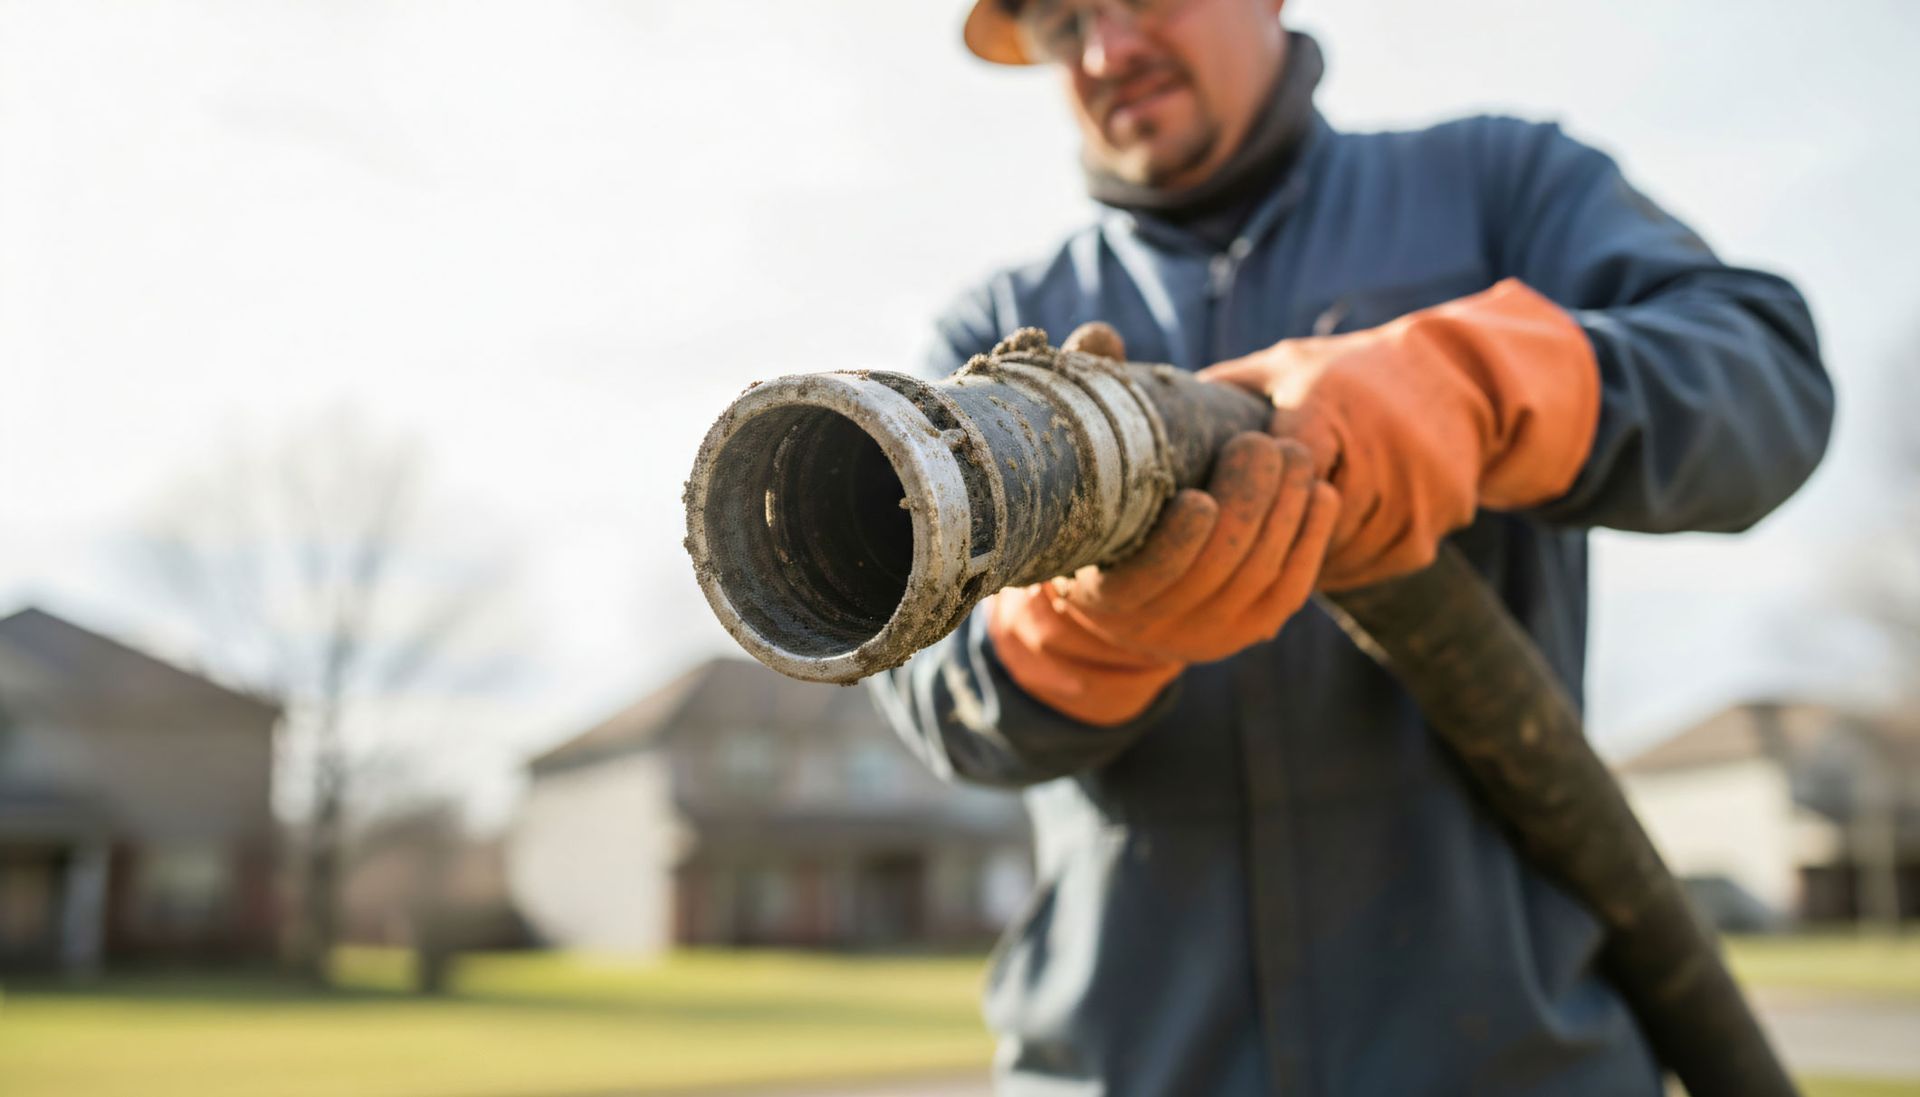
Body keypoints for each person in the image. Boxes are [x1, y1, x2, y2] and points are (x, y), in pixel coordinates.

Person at [869, 1, 1834, 1093]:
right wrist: (1080, 631)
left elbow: (1769, 380)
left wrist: (1483, 389)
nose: (1108, 50)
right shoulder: (1002, 329)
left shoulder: (1495, 190)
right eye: (1064, 21)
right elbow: (924, 683)